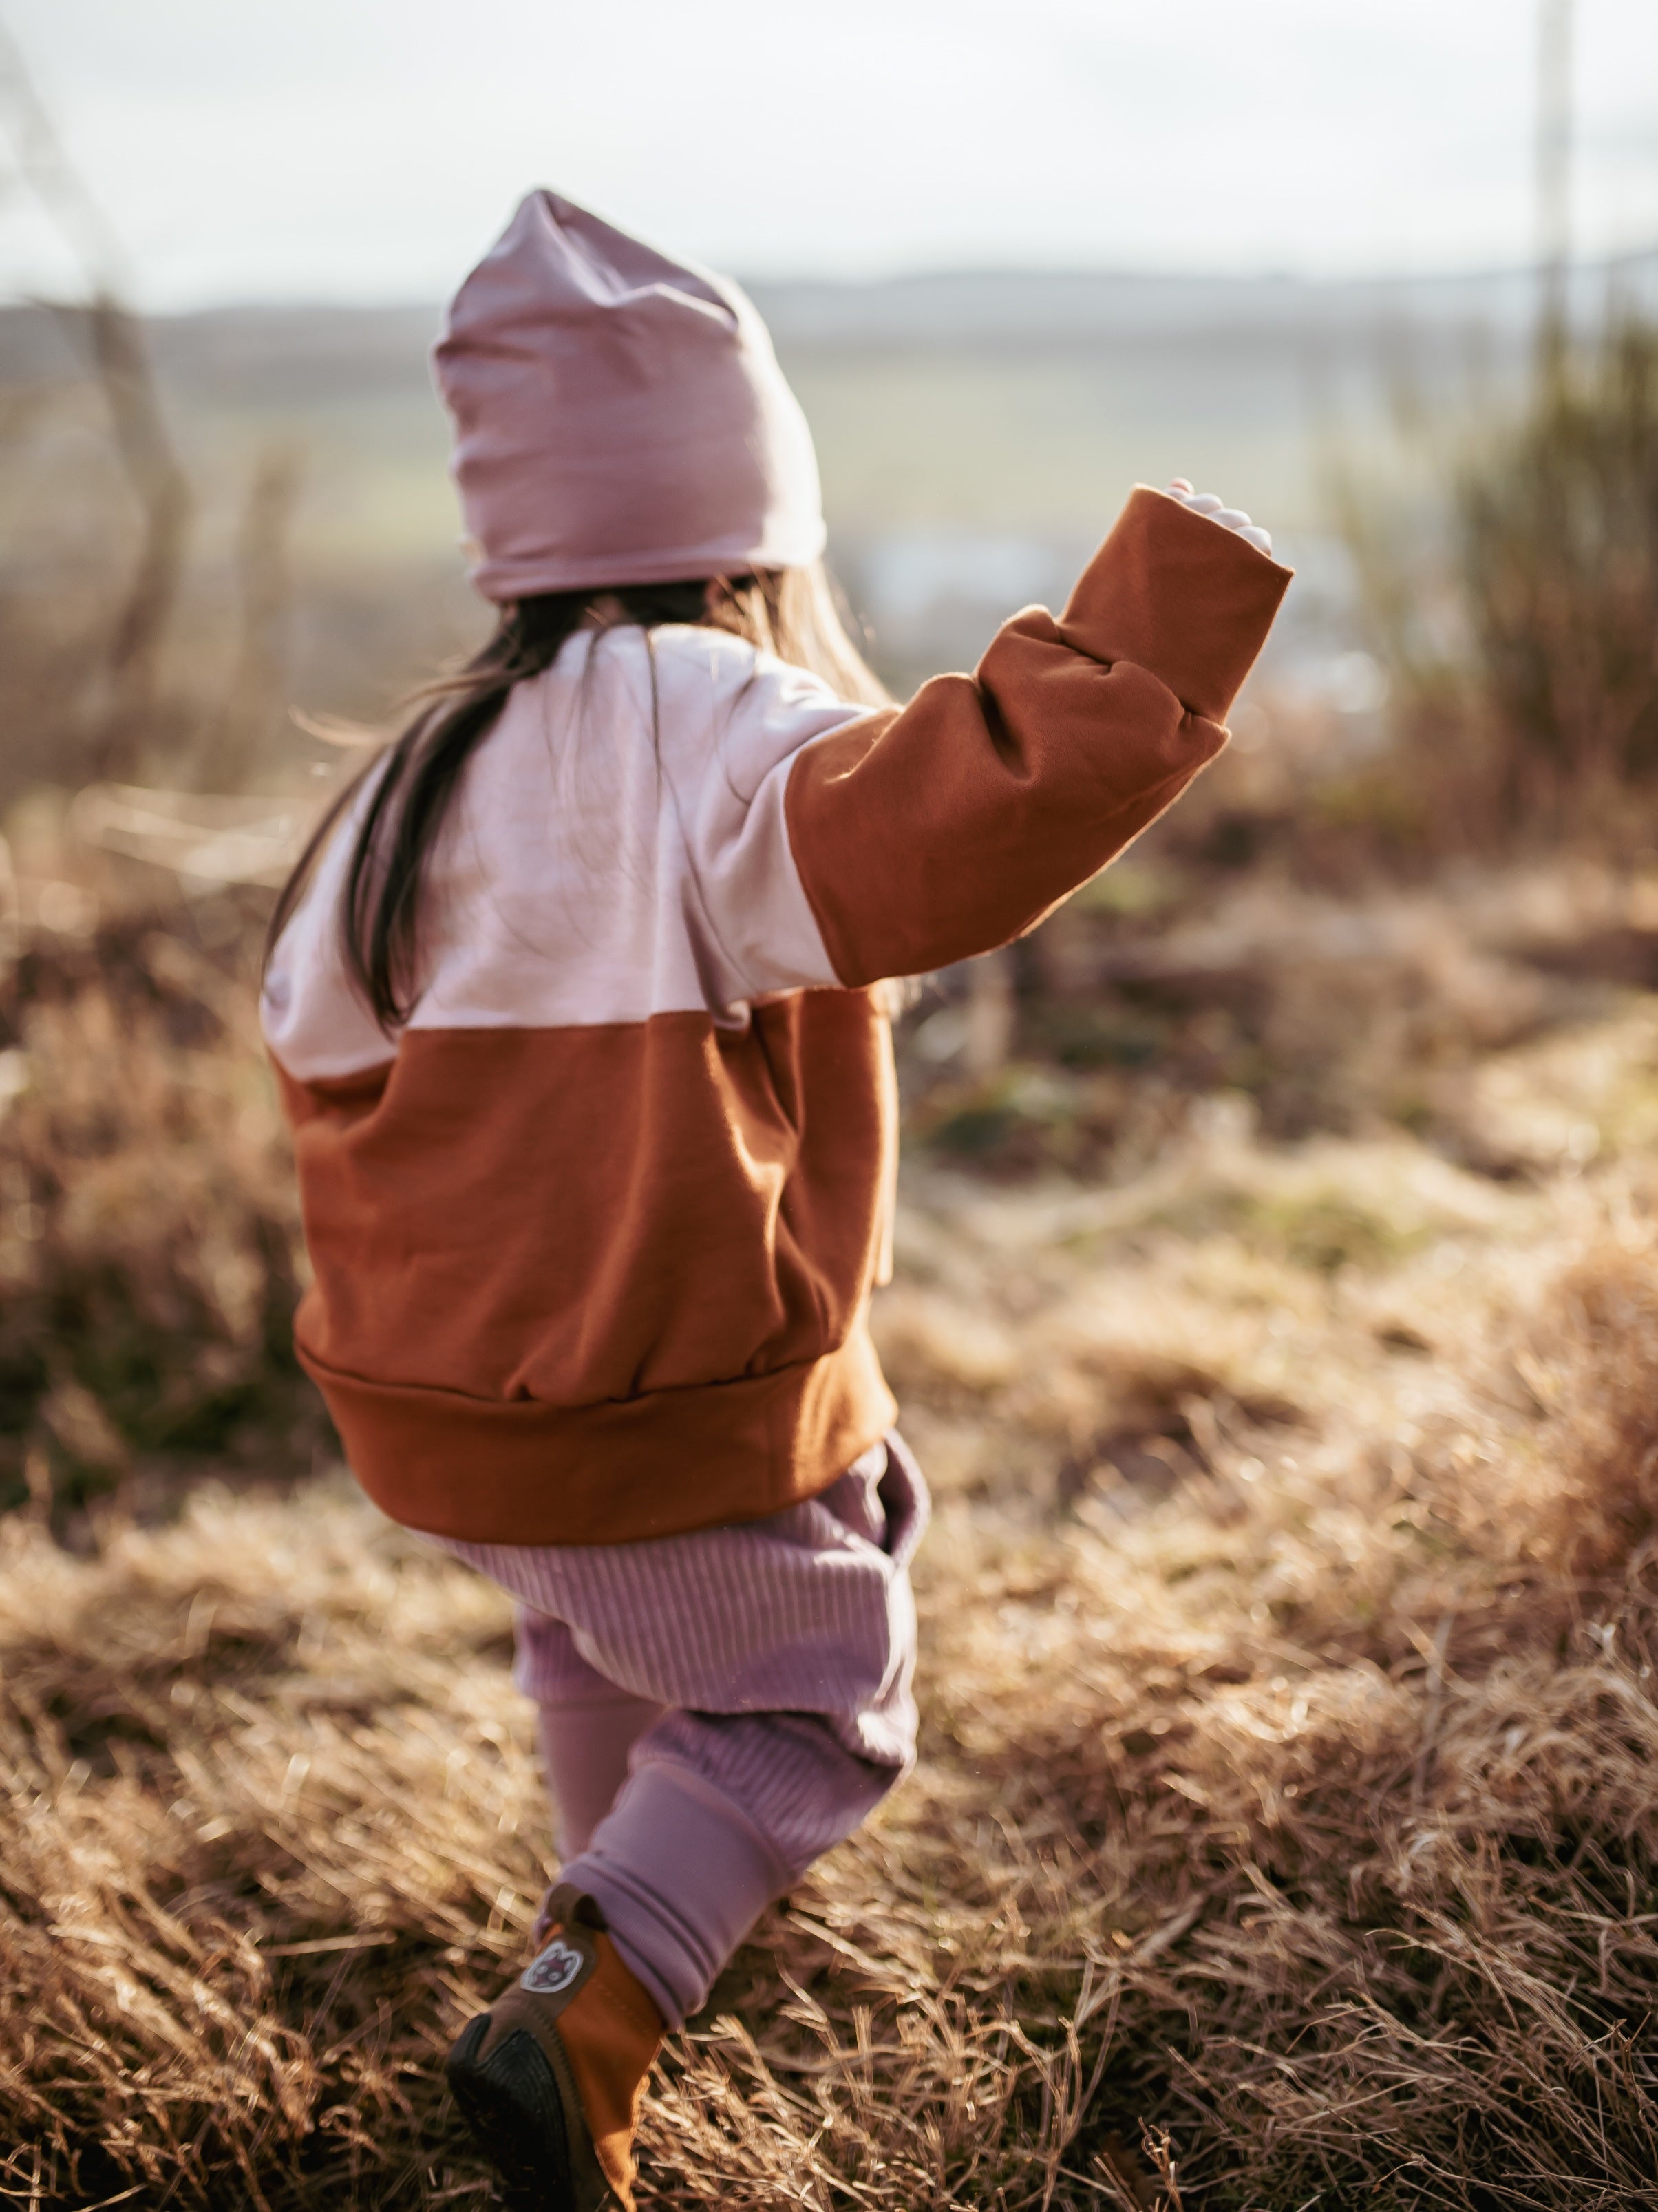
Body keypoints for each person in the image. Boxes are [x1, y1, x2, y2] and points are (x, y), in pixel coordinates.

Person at [260, 189, 1290, 2212]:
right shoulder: (702, 715)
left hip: (442, 1407)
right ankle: (598, 1994)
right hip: (661, 1387)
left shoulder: (406, 775)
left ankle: (611, 1902)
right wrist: (1159, 619)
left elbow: (318, 1048)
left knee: (607, 1619)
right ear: (752, 528)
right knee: (821, 1684)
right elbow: (953, 827)